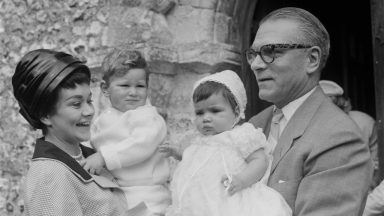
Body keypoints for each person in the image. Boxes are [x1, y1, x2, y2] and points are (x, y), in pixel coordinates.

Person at [247, 7, 372, 215]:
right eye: (253, 54)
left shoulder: (340, 138)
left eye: (270, 51)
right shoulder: (255, 124)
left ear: (312, 59)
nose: (256, 65)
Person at [12, 49, 148, 215]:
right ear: (45, 115)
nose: (89, 111)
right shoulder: (49, 176)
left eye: (89, 101)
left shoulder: (89, 155)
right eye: (76, 104)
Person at [163, 70, 292, 216]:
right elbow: (196, 162)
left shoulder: (239, 136)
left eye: (215, 111)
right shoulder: (199, 141)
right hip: (199, 203)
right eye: (200, 113)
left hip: (228, 198)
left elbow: (260, 160)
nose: (206, 118)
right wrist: (177, 153)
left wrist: (242, 180)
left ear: (236, 112)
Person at [82, 49, 171, 215]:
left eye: (140, 86)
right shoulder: (103, 119)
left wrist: (103, 157)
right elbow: (93, 141)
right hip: (116, 191)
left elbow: (141, 145)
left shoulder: (147, 117)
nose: (133, 92)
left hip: (147, 194)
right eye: (124, 85)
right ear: (105, 88)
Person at [319, 80, 379, 190]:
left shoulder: (364, 122)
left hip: (363, 190)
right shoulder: (310, 129)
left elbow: (376, 160)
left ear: (342, 105)